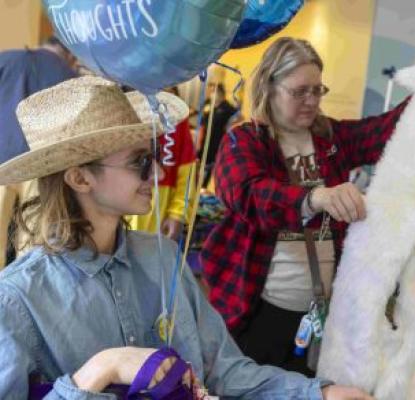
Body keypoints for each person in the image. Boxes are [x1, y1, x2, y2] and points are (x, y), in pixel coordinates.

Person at [0, 76, 373, 399]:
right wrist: (102, 369)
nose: (158, 173)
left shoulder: (162, 260)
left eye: (153, 157)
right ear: (80, 178)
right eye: (140, 162)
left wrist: (319, 392)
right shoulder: (20, 300)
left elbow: (225, 371)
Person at [200, 37, 409, 375]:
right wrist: (315, 197)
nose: (311, 101)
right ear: (270, 85)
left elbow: (386, 131)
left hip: (320, 315)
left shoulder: (331, 137)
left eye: (317, 90)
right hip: (257, 312)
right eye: (299, 92)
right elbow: (249, 195)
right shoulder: (245, 139)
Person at [0, 35, 78, 268]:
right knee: (31, 241)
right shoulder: (69, 77)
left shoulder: (6, 60)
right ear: (70, 55)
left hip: (1, 160)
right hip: (42, 166)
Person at [200, 82, 239, 187]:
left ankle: (203, 187)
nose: (212, 94)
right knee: (199, 166)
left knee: (209, 167)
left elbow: (239, 116)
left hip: (216, 141)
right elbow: (202, 120)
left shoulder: (227, 107)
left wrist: (231, 125)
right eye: (211, 91)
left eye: (214, 91)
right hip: (203, 140)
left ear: (221, 93)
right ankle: (197, 187)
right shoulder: (208, 103)